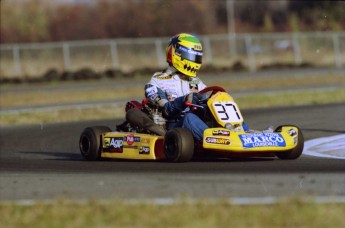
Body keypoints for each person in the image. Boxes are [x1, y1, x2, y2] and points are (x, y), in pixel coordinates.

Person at [143, 33, 209, 142]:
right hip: (175, 127)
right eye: (190, 55)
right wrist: (184, 100)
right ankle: (215, 141)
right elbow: (166, 110)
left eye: (196, 56)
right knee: (189, 118)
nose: (193, 60)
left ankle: (239, 134)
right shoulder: (158, 80)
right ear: (175, 53)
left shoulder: (196, 81)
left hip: (197, 123)